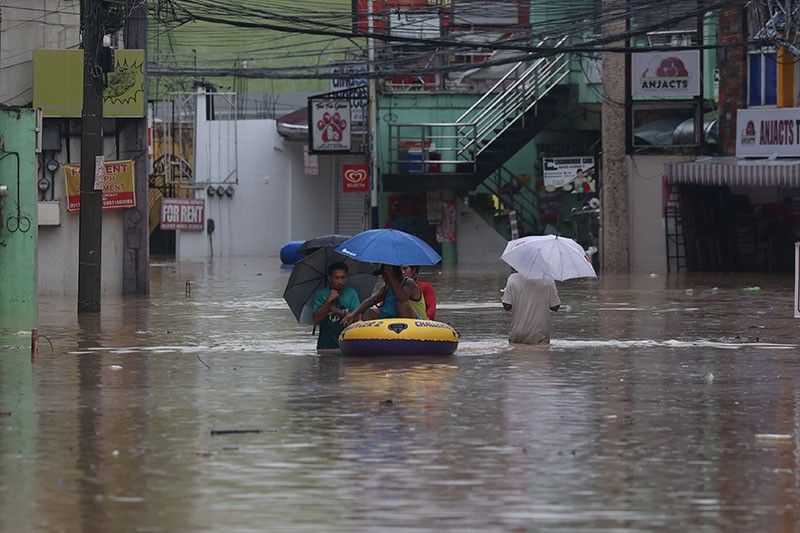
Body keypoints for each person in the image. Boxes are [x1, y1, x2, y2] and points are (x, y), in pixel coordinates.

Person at [343, 264, 426, 325]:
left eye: (384, 276)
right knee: (368, 312)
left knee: (402, 305)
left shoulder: (409, 283)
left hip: (414, 323)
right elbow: (371, 300)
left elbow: (402, 298)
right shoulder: (386, 288)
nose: (384, 279)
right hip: (392, 320)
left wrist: (390, 274)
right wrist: (353, 313)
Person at [312, 262, 361, 351]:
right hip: (325, 347)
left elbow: (357, 320)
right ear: (329, 278)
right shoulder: (321, 294)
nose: (340, 281)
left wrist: (334, 310)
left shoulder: (351, 293)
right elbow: (316, 319)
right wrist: (328, 302)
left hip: (347, 345)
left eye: (343, 277)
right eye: (336, 278)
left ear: (347, 278)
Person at [501, 272, 560, 344]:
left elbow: (507, 306)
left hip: (517, 333)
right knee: (541, 353)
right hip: (539, 334)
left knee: (516, 353)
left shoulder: (513, 279)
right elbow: (555, 307)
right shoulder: (548, 279)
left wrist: (504, 296)